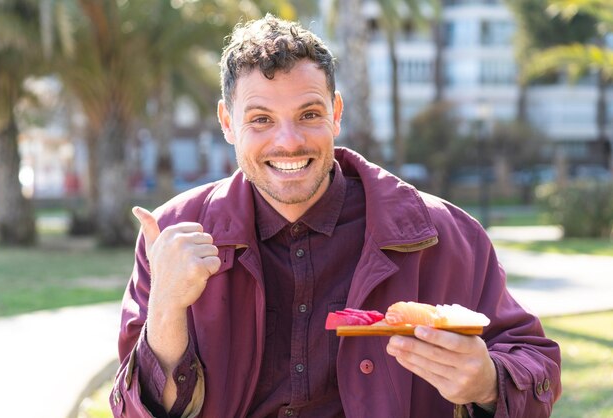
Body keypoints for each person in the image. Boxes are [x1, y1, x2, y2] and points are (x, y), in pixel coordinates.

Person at [110, 14, 561, 418]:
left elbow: (537, 367)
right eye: (261, 119)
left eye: (309, 114)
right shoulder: (170, 235)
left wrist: (486, 383)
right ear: (227, 122)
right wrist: (167, 308)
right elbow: (135, 410)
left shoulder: (445, 234)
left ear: (336, 113)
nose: (289, 142)